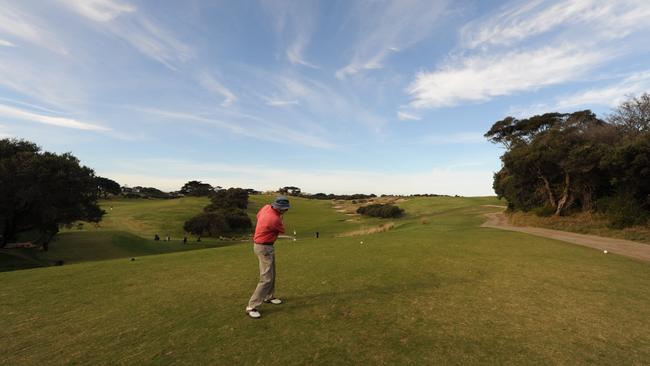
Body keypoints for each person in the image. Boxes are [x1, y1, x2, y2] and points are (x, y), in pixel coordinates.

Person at [246, 195, 290, 319]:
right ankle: (252, 306)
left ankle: (268, 296)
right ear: (281, 209)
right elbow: (283, 230)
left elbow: (258, 216)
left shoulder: (266, 207)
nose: (286, 211)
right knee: (266, 278)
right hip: (264, 247)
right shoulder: (274, 219)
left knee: (272, 273)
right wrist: (280, 217)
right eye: (285, 209)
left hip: (264, 246)